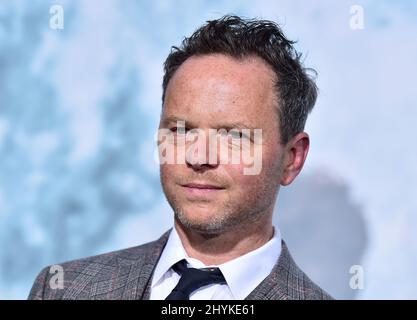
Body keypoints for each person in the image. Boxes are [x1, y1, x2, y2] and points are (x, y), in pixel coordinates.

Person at [29, 15, 333, 300]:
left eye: (234, 136)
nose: (198, 157)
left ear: (292, 158)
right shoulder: (63, 289)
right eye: (181, 130)